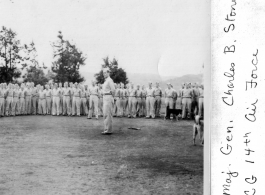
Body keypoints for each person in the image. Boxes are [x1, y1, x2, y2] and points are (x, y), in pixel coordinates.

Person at [102, 68, 115, 135]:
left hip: (108, 97)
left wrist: (110, 97)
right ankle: (106, 129)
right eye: (103, 73)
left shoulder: (110, 80)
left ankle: (108, 130)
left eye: (105, 72)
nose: (104, 74)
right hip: (105, 97)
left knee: (108, 114)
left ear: (108, 73)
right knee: (105, 113)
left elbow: (113, 90)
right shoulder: (106, 81)